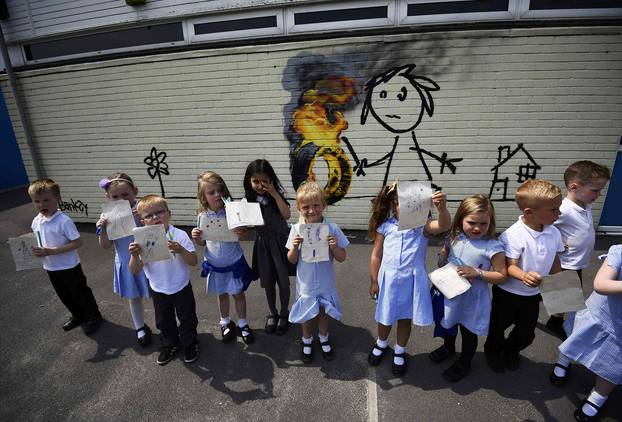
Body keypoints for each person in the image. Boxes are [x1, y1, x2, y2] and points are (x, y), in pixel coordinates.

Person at [367, 182, 450, 376]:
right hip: (388, 279)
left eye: (407, 203)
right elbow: (376, 255)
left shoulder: (423, 226)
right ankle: (381, 343)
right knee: (385, 316)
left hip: (412, 280)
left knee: (405, 318)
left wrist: (442, 208)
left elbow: (443, 225)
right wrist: (373, 280)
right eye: (397, 202)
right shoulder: (385, 227)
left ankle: (400, 350)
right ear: (392, 204)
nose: (402, 207)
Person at [484, 179, 564, 372]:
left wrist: (561, 285)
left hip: (533, 295)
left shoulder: (554, 232)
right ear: (529, 212)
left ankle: (511, 351)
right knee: (498, 326)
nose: (559, 213)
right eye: (553, 210)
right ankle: (493, 350)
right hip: (508, 293)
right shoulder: (513, 235)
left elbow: (554, 259)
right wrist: (523, 276)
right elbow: (509, 266)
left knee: (526, 333)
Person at [429, 194, 507, 382]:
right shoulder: (454, 237)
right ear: (460, 219)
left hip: (472, 299)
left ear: (491, 222)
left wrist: (478, 273)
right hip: (450, 292)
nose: (477, 228)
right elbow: (445, 253)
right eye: (472, 222)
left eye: (483, 224)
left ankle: (465, 361)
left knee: (468, 331)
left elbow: (502, 276)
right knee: (448, 323)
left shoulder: (492, 246)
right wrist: (443, 253)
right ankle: (448, 348)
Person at [549, 246, 622, 421]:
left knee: (615, 364)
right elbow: (600, 284)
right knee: (576, 337)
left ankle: (597, 397)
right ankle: (563, 361)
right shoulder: (619, 251)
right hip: (602, 313)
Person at [129, 195, 199, 366]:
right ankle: (170, 344)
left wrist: (181, 249)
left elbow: (193, 261)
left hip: (181, 287)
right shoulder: (141, 240)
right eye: (149, 215)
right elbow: (135, 270)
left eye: (160, 212)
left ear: (169, 213)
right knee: (163, 320)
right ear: (142, 220)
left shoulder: (179, 235)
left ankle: (190, 343)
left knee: (187, 317)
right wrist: (134, 256)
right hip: (158, 289)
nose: (155, 217)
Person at [29, 178, 103, 335]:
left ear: (58, 199)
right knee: (64, 294)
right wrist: (37, 252)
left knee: (80, 292)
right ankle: (78, 315)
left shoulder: (64, 221)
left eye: (46, 200)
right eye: (37, 201)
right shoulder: (36, 221)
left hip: (69, 266)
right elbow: (39, 242)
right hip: (50, 266)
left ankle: (94, 316)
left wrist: (52, 251)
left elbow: (77, 243)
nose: (42, 205)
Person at [547, 161, 610, 339]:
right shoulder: (563, 209)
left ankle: (556, 319)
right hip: (565, 263)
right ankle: (556, 322)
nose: (598, 195)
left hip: (577, 261)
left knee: (565, 295)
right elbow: (543, 227)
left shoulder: (585, 204)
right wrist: (556, 241)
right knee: (565, 296)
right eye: (595, 190)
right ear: (574, 187)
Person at [286, 181, 348, 363]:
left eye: (316, 206)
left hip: (324, 281)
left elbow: (342, 257)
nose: (312, 211)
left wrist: (335, 247)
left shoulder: (332, 228)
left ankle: (323, 337)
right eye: (306, 207)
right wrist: (295, 247)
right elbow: (291, 259)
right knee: (306, 312)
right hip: (305, 283)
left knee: (323, 310)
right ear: (299, 208)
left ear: (324, 206)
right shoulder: (296, 230)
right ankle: (306, 340)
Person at [191, 171, 254, 345]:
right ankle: (225, 322)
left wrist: (242, 231)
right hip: (215, 264)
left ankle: (243, 323)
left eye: (220, 190)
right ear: (203, 197)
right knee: (222, 295)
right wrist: (196, 237)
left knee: (238, 294)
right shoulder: (202, 216)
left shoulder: (233, 211)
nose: (217, 194)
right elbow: (203, 243)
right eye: (211, 192)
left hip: (234, 263)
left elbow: (244, 235)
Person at [96, 173, 151, 346]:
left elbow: (158, 230)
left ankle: (166, 325)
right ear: (108, 197)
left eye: (126, 195)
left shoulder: (145, 208)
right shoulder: (107, 216)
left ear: (135, 191)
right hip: (126, 263)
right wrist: (103, 229)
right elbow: (105, 246)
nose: (121, 199)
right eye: (115, 196)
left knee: (160, 295)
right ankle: (140, 328)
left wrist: (144, 218)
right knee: (133, 298)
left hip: (150, 260)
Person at [244, 159, 294, 335]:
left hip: (281, 242)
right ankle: (272, 313)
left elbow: (287, 215)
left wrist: (274, 194)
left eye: (264, 181)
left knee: (283, 282)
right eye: (255, 181)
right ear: (249, 181)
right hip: (264, 245)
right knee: (268, 282)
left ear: (271, 180)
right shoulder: (248, 201)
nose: (259, 185)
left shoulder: (277, 196)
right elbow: (244, 227)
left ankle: (283, 313)